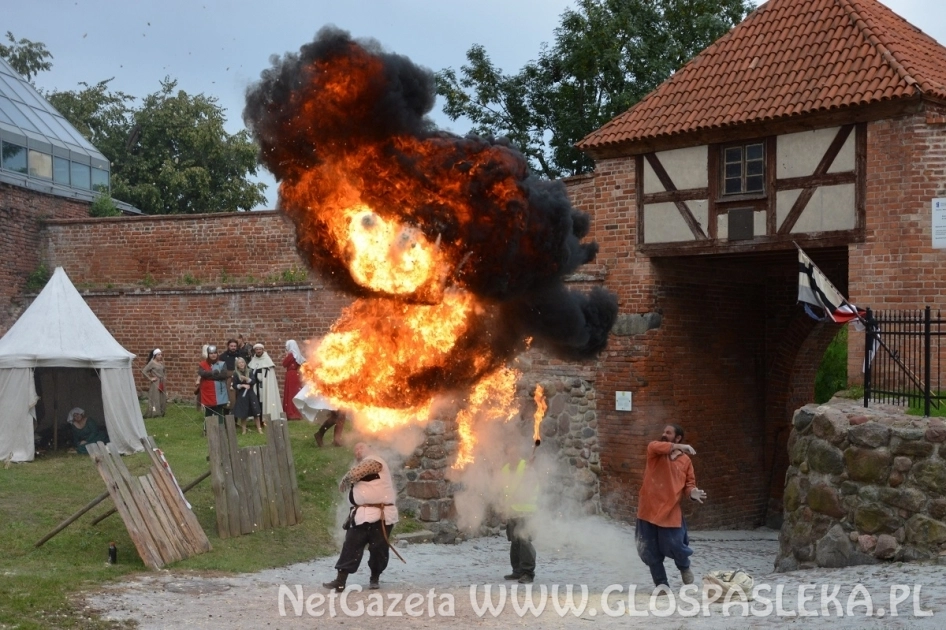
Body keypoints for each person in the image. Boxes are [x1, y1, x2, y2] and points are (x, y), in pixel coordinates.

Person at [636, 424, 707, 592]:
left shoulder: (685, 461)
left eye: (668, 433)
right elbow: (654, 445)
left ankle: (684, 566)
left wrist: (692, 492)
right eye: (663, 432)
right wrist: (678, 447)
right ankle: (661, 584)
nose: (663, 434)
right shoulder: (655, 452)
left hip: (670, 511)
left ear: (678, 437)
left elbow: (689, 484)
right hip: (647, 510)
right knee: (648, 549)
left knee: (676, 545)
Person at [323, 442, 399, 592]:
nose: (358, 450)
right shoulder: (361, 464)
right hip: (361, 515)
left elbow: (359, 471)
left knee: (378, 549)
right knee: (350, 546)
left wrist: (346, 478)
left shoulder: (375, 460)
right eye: (355, 448)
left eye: (362, 447)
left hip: (380, 516)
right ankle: (340, 581)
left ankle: (375, 577)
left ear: (371, 449)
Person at [499, 445, 539, 584]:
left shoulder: (527, 467)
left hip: (526, 511)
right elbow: (504, 491)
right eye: (508, 454)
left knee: (524, 541)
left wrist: (530, 472)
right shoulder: (505, 470)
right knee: (515, 542)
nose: (511, 457)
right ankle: (517, 571)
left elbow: (533, 485)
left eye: (513, 454)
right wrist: (504, 509)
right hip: (511, 511)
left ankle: (528, 573)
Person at [249, 343, 282, 423]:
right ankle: (259, 419)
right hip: (256, 386)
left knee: (265, 401)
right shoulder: (253, 360)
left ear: (262, 350)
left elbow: (269, 376)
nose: (258, 351)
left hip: (265, 386)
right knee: (257, 402)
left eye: (260, 349)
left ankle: (267, 418)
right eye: (257, 349)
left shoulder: (267, 360)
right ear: (255, 351)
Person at [198, 345, 229, 425]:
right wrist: (212, 372)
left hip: (219, 391)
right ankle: (207, 430)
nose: (213, 355)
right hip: (207, 391)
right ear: (208, 354)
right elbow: (202, 373)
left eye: (215, 353)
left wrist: (209, 377)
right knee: (208, 411)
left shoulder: (222, 364)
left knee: (219, 411)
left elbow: (223, 375)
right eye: (211, 353)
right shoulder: (202, 364)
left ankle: (220, 430)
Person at [232, 357, 263, 434]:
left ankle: (259, 429)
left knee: (255, 411)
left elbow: (253, 381)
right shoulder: (235, 373)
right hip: (242, 394)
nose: (241, 364)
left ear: (245, 363)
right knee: (243, 412)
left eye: (242, 362)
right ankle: (244, 430)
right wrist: (242, 385)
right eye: (239, 363)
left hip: (251, 393)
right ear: (237, 365)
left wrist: (246, 379)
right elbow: (234, 385)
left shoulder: (250, 371)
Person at [282, 340, 304, 420]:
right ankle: (296, 412)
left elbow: (284, 364)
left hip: (291, 374)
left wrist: (286, 355)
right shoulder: (297, 355)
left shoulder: (291, 355)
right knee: (295, 392)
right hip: (295, 374)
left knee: (290, 393)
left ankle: (291, 413)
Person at [141, 348, 167, 418]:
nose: (160, 356)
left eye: (161, 354)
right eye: (158, 355)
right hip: (156, 383)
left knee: (162, 397)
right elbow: (144, 371)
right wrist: (150, 378)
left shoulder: (161, 363)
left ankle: (161, 412)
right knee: (155, 398)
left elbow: (164, 371)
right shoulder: (152, 363)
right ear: (155, 355)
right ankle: (154, 412)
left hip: (162, 382)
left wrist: (164, 377)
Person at [219, 339, 243, 413]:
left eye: (235, 346)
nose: (233, 347)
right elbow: (220, 369)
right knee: (229, 400)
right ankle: (226, 420)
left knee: (238, 400)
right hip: (228, 381)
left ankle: (235, 421)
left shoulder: (240, 355)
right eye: (231, 346)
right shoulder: (223, 356)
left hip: (239, 379)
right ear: (228, 346)